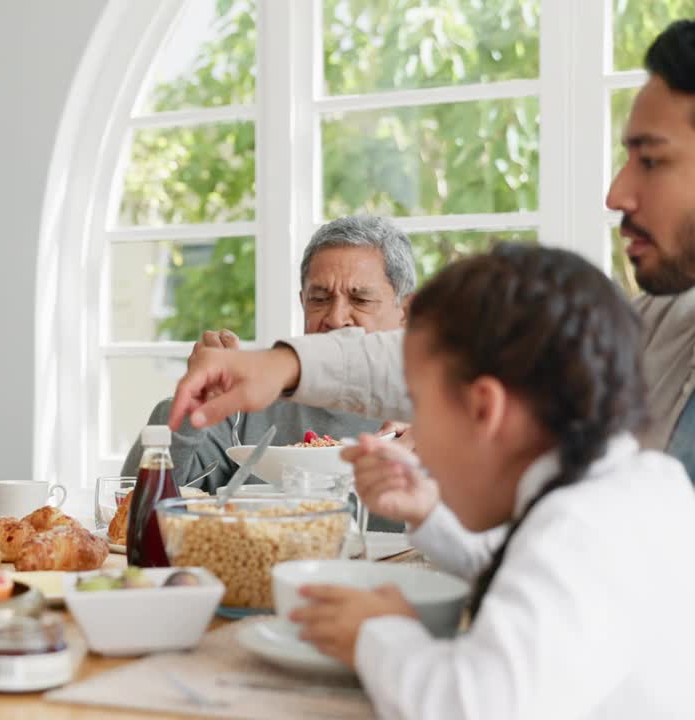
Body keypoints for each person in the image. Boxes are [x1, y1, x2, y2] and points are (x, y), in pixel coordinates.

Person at [166, 20, 695, 483]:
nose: (616, 194)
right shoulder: (651, 330)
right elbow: (456, 363)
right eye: (319, 298)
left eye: (650, 161)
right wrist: (284, 363)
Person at [287, 245, 695, 718]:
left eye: (419, 405)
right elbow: (528, 576)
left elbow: (470, 706)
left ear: (484, 409)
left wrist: (375, 633)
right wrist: (428, 513)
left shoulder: (577, 528)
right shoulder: (639, 486)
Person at [121, 216, 412, 530]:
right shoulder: (248, 406)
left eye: (360, 299)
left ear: (406, 313)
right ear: (302, 302)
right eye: (319, 299)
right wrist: (190, 408)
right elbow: (133, 513)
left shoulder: (434, 411)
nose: (336, 318)